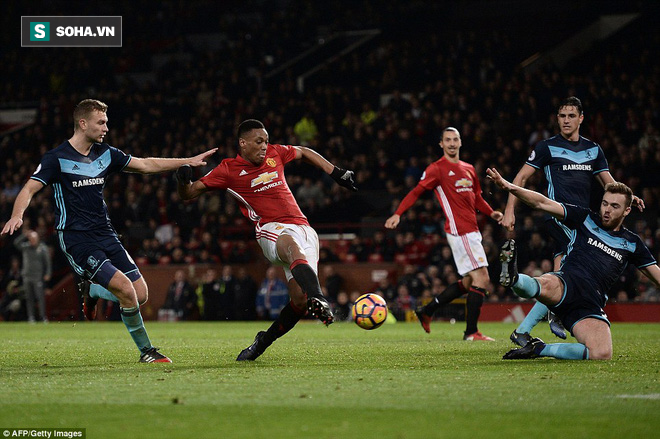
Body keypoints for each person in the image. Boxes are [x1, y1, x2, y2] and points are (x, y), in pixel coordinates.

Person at [1, 99, 217, 363]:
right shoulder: (56, 158)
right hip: (76, 238)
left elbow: (146, 165)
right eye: (100, 122)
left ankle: (91, 291)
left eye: (106, 122)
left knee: (140, 295)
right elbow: (29, 189)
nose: (106, 127)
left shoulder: (106, 154)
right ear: (83, 123)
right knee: (126, 291)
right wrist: (17, 215)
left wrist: (188, 160)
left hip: (106, 233)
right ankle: (147, 351)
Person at [176, 118, 357, 361]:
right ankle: (321, 298)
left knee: (300, 302)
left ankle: (262, 342)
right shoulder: (228, 170)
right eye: (259, 141)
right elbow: (188, 193)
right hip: (270, 228)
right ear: (243, 143)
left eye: (266, 141)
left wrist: (336, 172)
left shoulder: (275, 153)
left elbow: (303, 152)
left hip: (304, 228)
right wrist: (182, 180)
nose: (264, 146)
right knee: (290, 247)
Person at [501, 97, 645, 347]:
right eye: (561, 116)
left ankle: (527, 328)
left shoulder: (593, 150)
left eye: (571, 116)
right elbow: (521, 178)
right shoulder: (547, 147)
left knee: (563, 274)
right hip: (560, 217)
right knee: (574, 272)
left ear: (581, 118)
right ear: (557, 119)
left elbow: (610, 184)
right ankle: (559, 311)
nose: (566, 120)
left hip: (582, 220)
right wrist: (509, 210)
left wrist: (630, 196)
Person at [487, 168, 659, 360]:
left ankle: (538, 349)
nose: (607, 210)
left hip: (590, 303)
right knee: (547, 284)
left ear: (627, 210)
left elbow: (657, 276)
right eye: (604, 204)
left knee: (601, 353)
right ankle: (514, 278)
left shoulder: (633, 243)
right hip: (567, 283)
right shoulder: (585, 217)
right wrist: (509, 186)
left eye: (614, 206)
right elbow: (542, 202)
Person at [385, 127, 503, 341]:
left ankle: (427, 310)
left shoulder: (468, 168)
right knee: (482, 277)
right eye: (447, 140)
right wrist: (398, 213)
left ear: (460, 142)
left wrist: (491, 212)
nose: (451, 143)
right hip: (460, 231)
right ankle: (471, 332)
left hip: (472, 230)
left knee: (469, 282)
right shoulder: (437, 169)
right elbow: (416, 192)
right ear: (441, 144)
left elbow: (476, 197)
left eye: (455, 139)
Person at [14, 230, 52, 323]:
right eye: (31, 238)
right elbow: (16, 243)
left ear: (37, 239)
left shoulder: (42, 248)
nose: (32, 240)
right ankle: (31, 317)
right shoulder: (26, 247)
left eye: (34, 238)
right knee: (29, 298)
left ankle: (43, 317)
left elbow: (47, 262)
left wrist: (48, 273)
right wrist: (24, 235)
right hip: (27, 276)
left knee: (40, 298)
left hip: (37, 276)